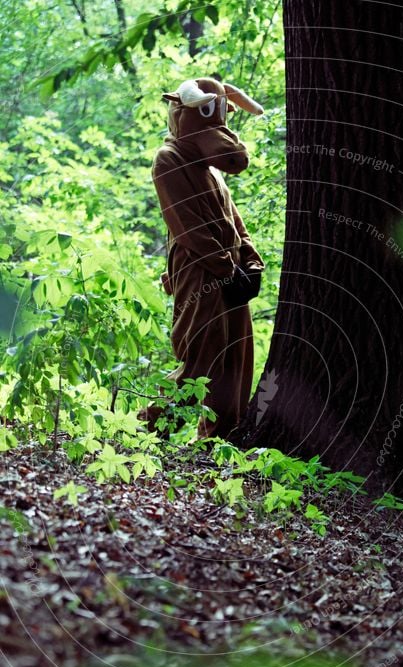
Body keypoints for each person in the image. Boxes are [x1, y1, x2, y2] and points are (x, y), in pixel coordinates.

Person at [150, 76, 265, 438]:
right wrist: (225, 268)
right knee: (200, 361)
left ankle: (220, 442)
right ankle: (149, 430)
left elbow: (233, 219)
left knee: (236, 360)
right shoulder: (168, 160)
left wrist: (251, 263)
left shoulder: (210, 169)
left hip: (231, 275)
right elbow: (188, 226)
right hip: (200, 274)